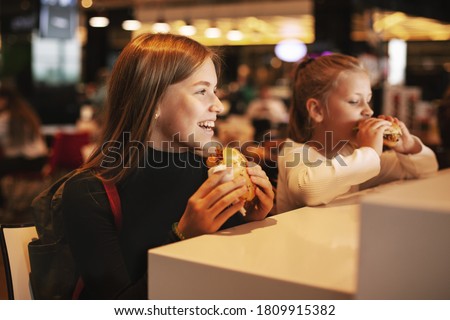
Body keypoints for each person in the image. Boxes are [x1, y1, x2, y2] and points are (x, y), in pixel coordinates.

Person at [61, 33, 274, 299]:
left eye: (215, 91)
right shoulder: (89, 193)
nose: (218, 105)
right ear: (154, 102)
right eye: (202, 91)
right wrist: (184, 238)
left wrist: (249, 220)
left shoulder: (208, 171)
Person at [276, 54, 438, 213]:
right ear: (317, 110)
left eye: (368, 100)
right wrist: (370, 152)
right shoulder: (294, 152)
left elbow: (427, 169)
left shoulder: (353, 154)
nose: (369, 111)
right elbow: (308, 189)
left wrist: (409, 147)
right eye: (354, 101)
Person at [0, 85, 48, 209]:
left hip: (27, 160)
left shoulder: (6, 117)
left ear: (4, 99)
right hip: (41, 159)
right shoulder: (26, 113)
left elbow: (9, 148)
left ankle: (3, 205)